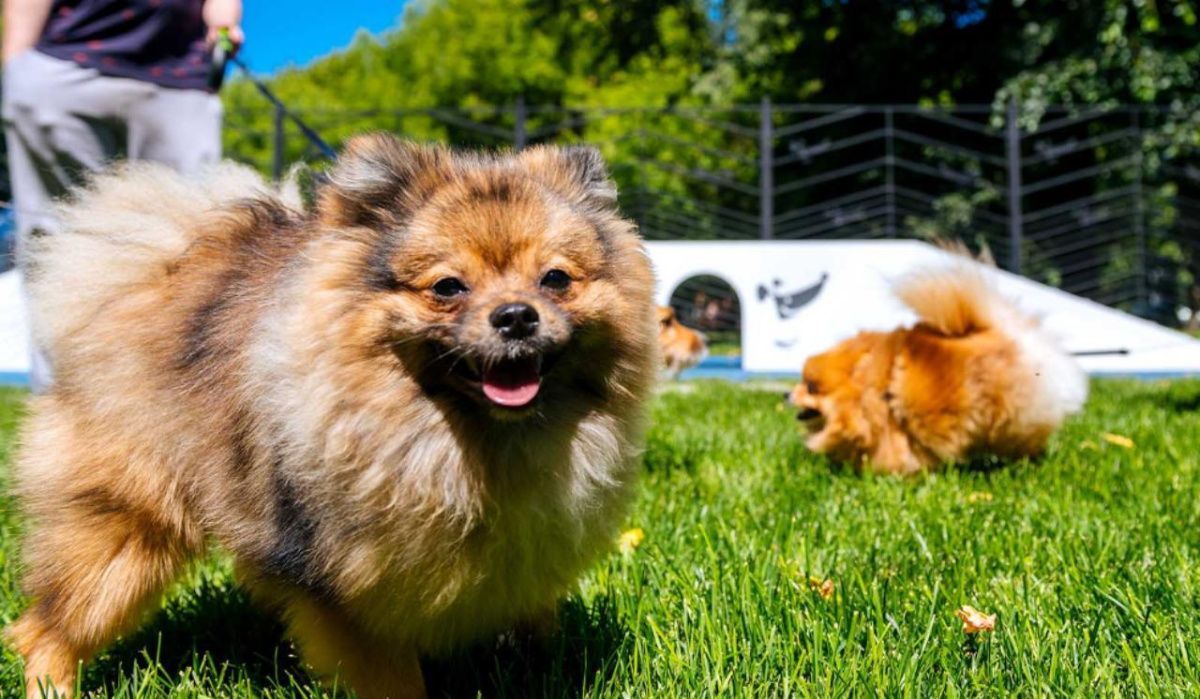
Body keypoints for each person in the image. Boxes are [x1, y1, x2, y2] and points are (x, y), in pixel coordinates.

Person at [2, 0, 243, 390]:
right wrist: (16, 68)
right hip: (64, 68)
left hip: (179, 81)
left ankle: (171, 398)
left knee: (198, 246)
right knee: (54, 245)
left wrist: (223, 21)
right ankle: (62, 403)